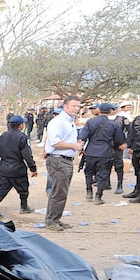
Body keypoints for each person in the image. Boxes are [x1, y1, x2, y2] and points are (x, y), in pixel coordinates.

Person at [43, 95, 83, 232]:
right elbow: (55, 142)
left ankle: (56, 219)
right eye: (74, 106)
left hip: (66, 160)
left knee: (62, 192)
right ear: (65, 106)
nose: (76, 109)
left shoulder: (69, 122)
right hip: (58, 160)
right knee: (58, 192)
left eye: (78, 106)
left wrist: (76, 145)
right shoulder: (57, 122)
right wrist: (73, 146)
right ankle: (51, 221)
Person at [78, 103, 126, 205]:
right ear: (109, 111)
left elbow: (82, 136)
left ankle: (89, 191)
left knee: (89, 172)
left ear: (99, 110)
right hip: (105, 152)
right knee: (103, 174)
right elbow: (119, 140)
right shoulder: (113, 124)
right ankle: (98, 196)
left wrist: (81, 148)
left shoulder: (90, 122)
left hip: (90, 151)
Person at [0, 115, 37, 218]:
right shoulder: (22, 137)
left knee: (1, 188)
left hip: (4, 168)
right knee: (23, 189)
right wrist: (33, 168)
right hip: (18, 168)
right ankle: (24, 207)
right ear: (20, 125)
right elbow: (27, 155)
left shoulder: (3, 136)